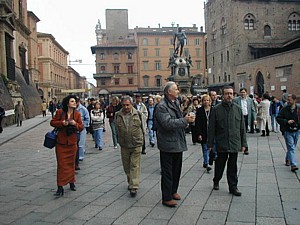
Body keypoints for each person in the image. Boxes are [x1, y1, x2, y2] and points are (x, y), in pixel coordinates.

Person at [153, 81, 195, 207]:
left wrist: (186, 119)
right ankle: (166, 197)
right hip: (167, 143)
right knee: (167, 172)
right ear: (169, 92)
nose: (178, 91)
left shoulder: (175, 102)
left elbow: (177, 118)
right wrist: (184, 120)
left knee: (177, 170)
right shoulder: (161, 106)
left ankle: (173, 191)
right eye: (176, 89)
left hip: (177, 141)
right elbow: (167, 123)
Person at [207, 86, 247, 196]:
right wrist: (210, 144)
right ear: (223, 95)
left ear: (233, 95)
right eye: (226, 93)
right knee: (220, 165)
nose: (229, 95)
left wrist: (244, 143)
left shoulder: (238, 109)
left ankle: (233, 187)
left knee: (232, 166)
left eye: (231, 93)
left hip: (234, 142)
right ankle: (216, 180)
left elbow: (242, 128)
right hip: (221, 143)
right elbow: (211, 128)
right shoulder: (216, 109)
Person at [50, 95, 83, 196]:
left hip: (72, 143)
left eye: (75, 102)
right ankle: (60, 186)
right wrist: (62, 123)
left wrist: (75, 124)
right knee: (61, 165)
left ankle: (71, 182)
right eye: (72, 101)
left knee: (71, 164)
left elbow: (81, 127)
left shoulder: (77, 114)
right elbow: (52, 122)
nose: (75, 103)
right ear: (67, 103)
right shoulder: (60, 112)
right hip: (61, 143)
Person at [115, 96, 146, 197]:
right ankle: (131, 180)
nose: (126, 107)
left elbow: (143, 127)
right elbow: (116, 129)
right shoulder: (118, 115)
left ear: (131, 104)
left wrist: (142, 140)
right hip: (124, 144)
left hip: (136, 143)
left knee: (134, 165)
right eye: (124, 105)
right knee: (126, 166)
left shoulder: (138, 114)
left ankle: (134, 186)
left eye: (128, 105)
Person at [276, 94, 299, 172]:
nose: (287, 101)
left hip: (297, 131)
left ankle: (288, 159)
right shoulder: (284, 109)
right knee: (291, 147)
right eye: (287, 100)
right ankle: (293, 164)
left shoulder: (298, 108)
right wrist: (287, 121)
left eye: (289, 100)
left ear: (294, 100)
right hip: (287, 131)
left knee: (292, 146)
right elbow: (278, 118)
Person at [233, 88, 256, 154]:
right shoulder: (236, 100)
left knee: (244, 133)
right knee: (239, 132)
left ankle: (246, 148)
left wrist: (254, 119)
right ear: (240, 93)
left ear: (246, 93)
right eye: (241, 92)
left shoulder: (250, 100)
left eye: (244, 92)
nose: (243, 94)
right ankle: (241, 146)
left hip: (246, 117)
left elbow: (253, 110)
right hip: (239, 118)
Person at [195, 94, 213, 172]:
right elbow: (197, 123)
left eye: (208, 100)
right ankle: (207, 163)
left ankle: (208, 160)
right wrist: (199, 134)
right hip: (203, 132)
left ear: (210, 101)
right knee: (205, 148)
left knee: (212, 149)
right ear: (202, 101)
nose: (206, 102)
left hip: (212, 132)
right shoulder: (199, 110)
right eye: (205, 100)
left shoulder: (213, 110)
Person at [76, 97, 90, 161]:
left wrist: (82, 125)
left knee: (81, 143)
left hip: (81, 129)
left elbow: (87, 119)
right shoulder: (70, 109)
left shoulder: (83, 109)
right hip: (73, 129)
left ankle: (80, 156)